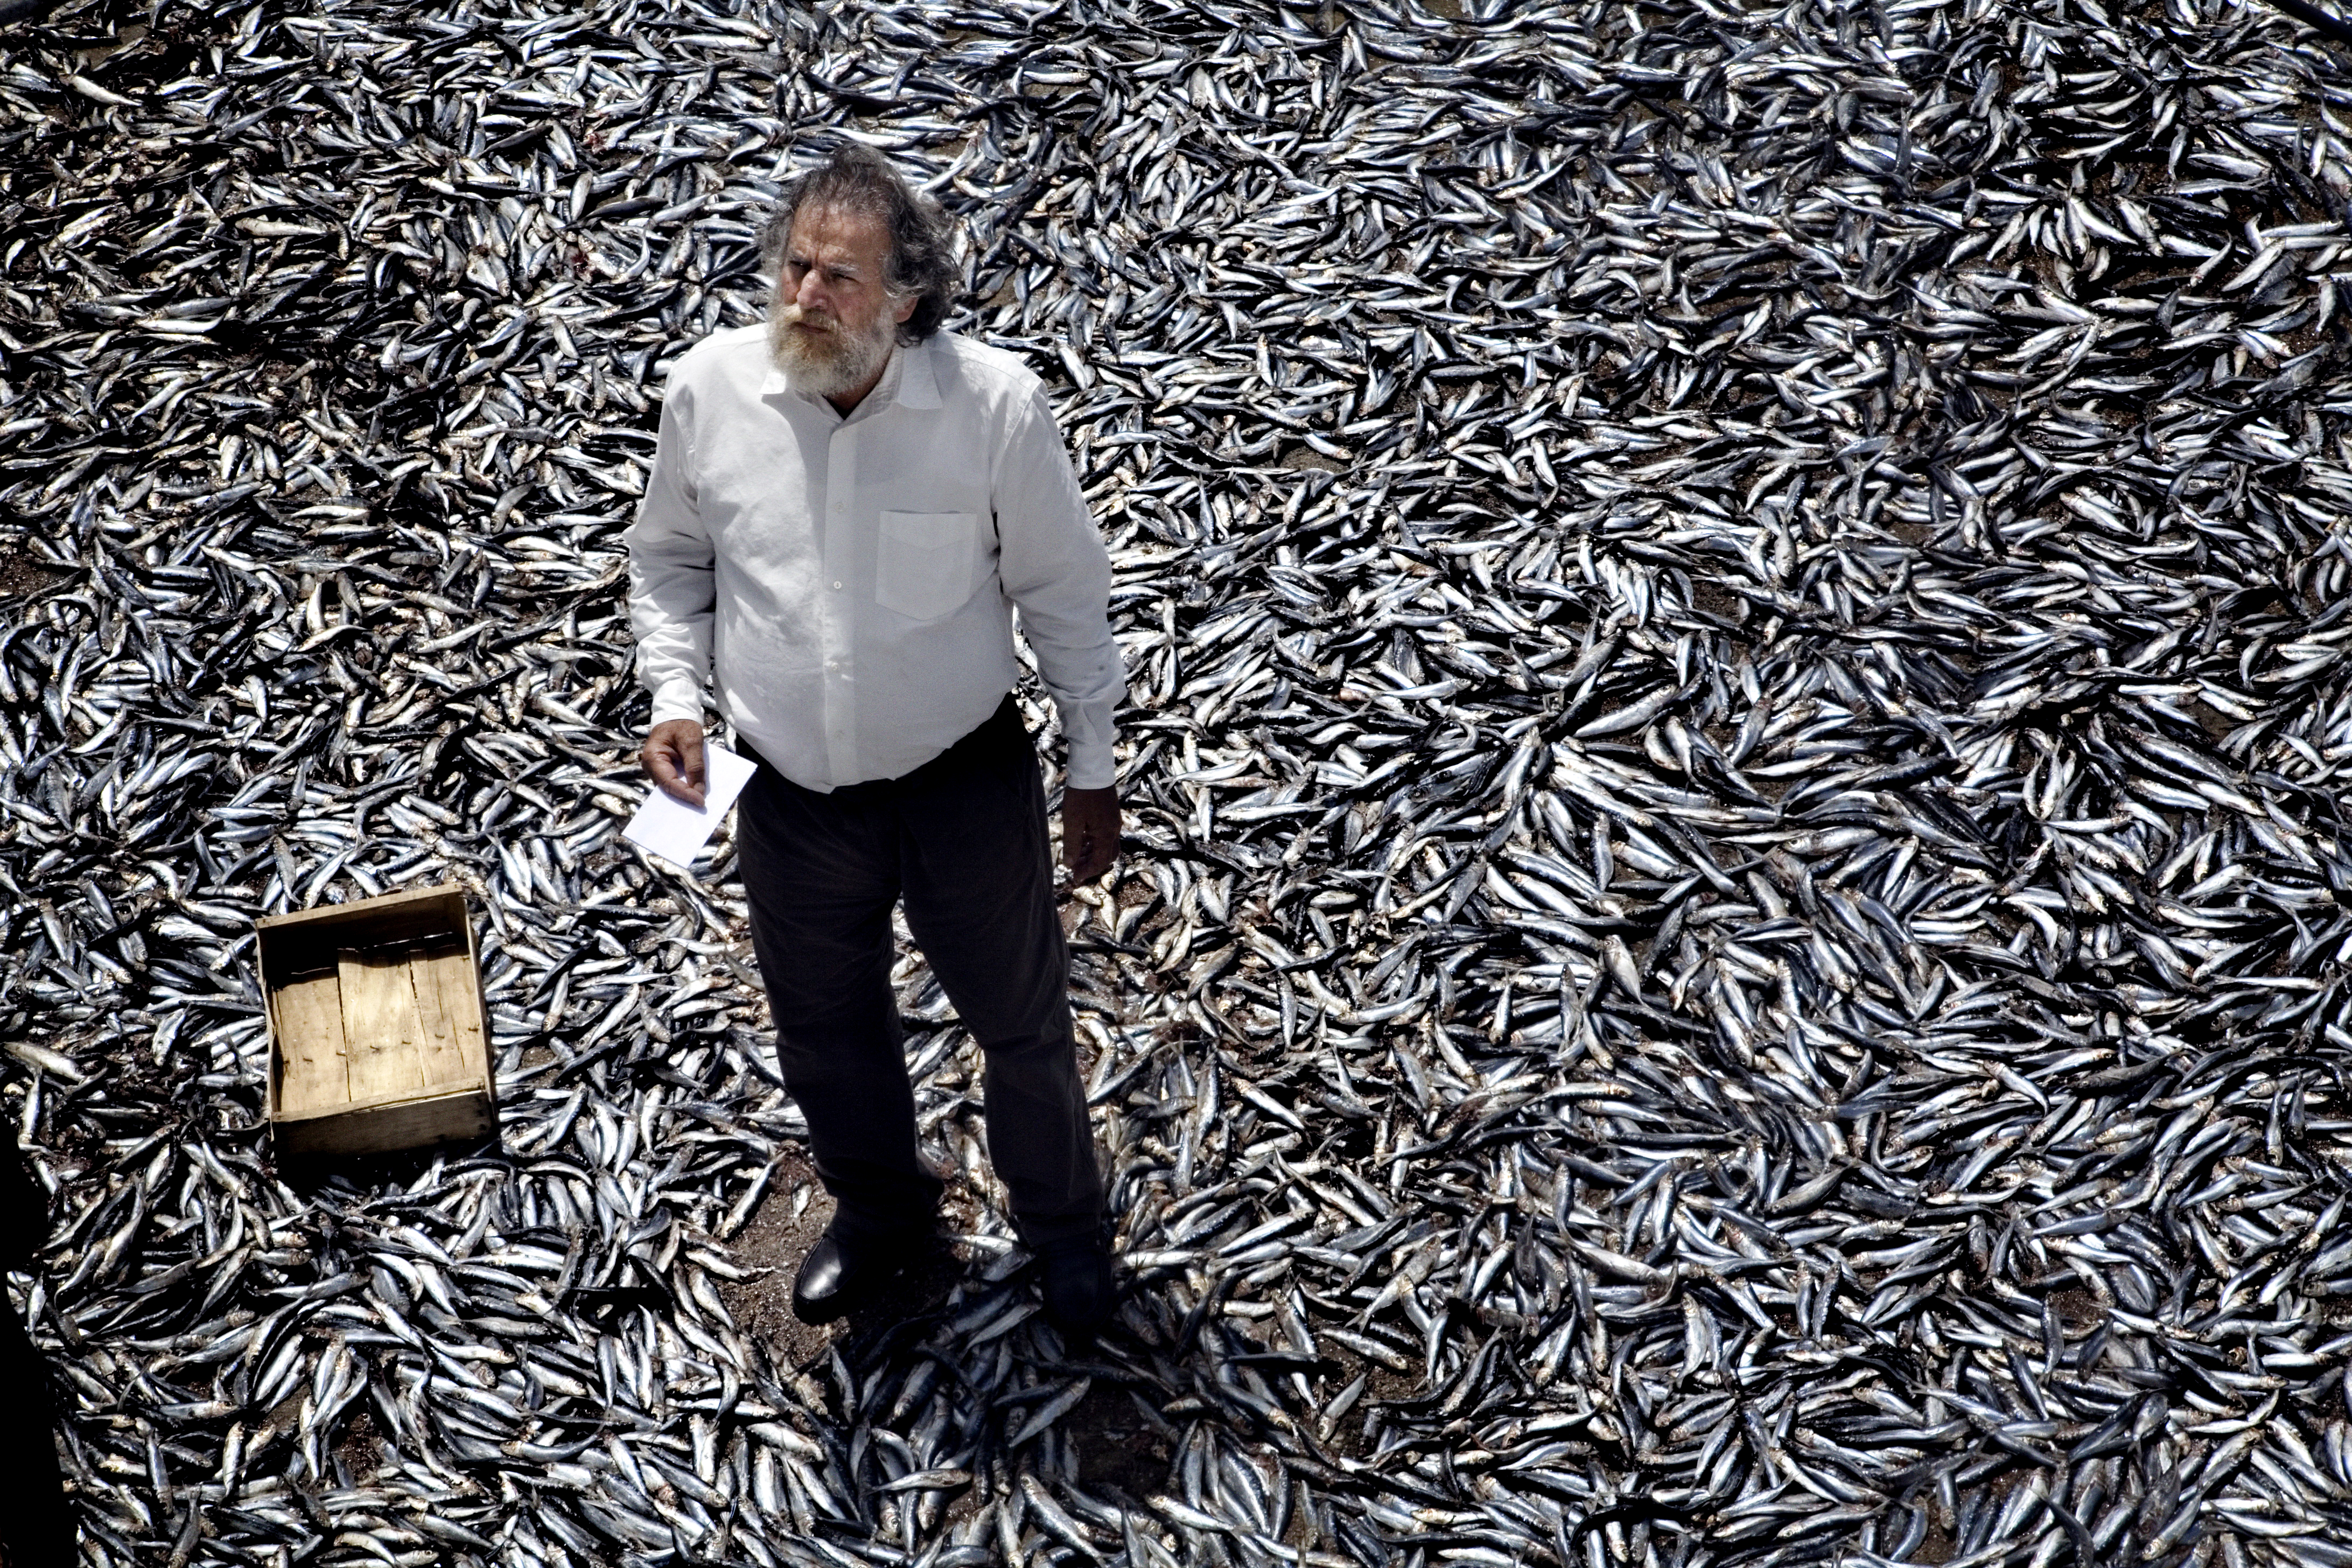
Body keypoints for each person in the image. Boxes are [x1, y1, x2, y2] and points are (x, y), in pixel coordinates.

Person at [625, 142, 1124, 1335]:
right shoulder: (709, 390)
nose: (806, 297)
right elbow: (668, 560)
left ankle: (1066, 1237)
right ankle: (881, 1218)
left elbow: (1065, 593)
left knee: (1020, 1023)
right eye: (794, 268)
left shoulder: (995, 408)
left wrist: (1091, 767)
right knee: (825, 1024)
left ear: (908, 300)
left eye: (840, 279)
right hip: (793, 795)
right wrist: (675, 697)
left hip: (963, 782)